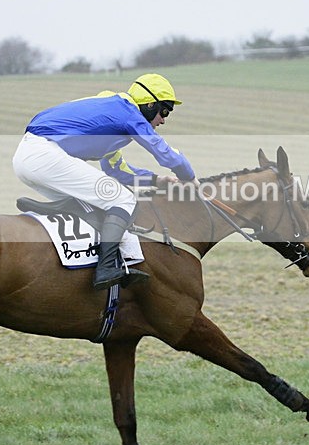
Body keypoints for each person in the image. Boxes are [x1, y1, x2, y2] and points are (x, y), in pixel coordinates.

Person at [13, 73, 196, 290]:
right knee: (124, 199)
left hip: (28, 157)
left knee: (99, 202)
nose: (163, 119)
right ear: (149, 104)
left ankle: (63, 210)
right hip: (44, 155)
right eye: (164, 111)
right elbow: (165, 153)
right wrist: (189, 177)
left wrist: (157, 181)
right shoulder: (128, 113)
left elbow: (117, 170)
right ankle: (106, 268)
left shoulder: (111, 120)